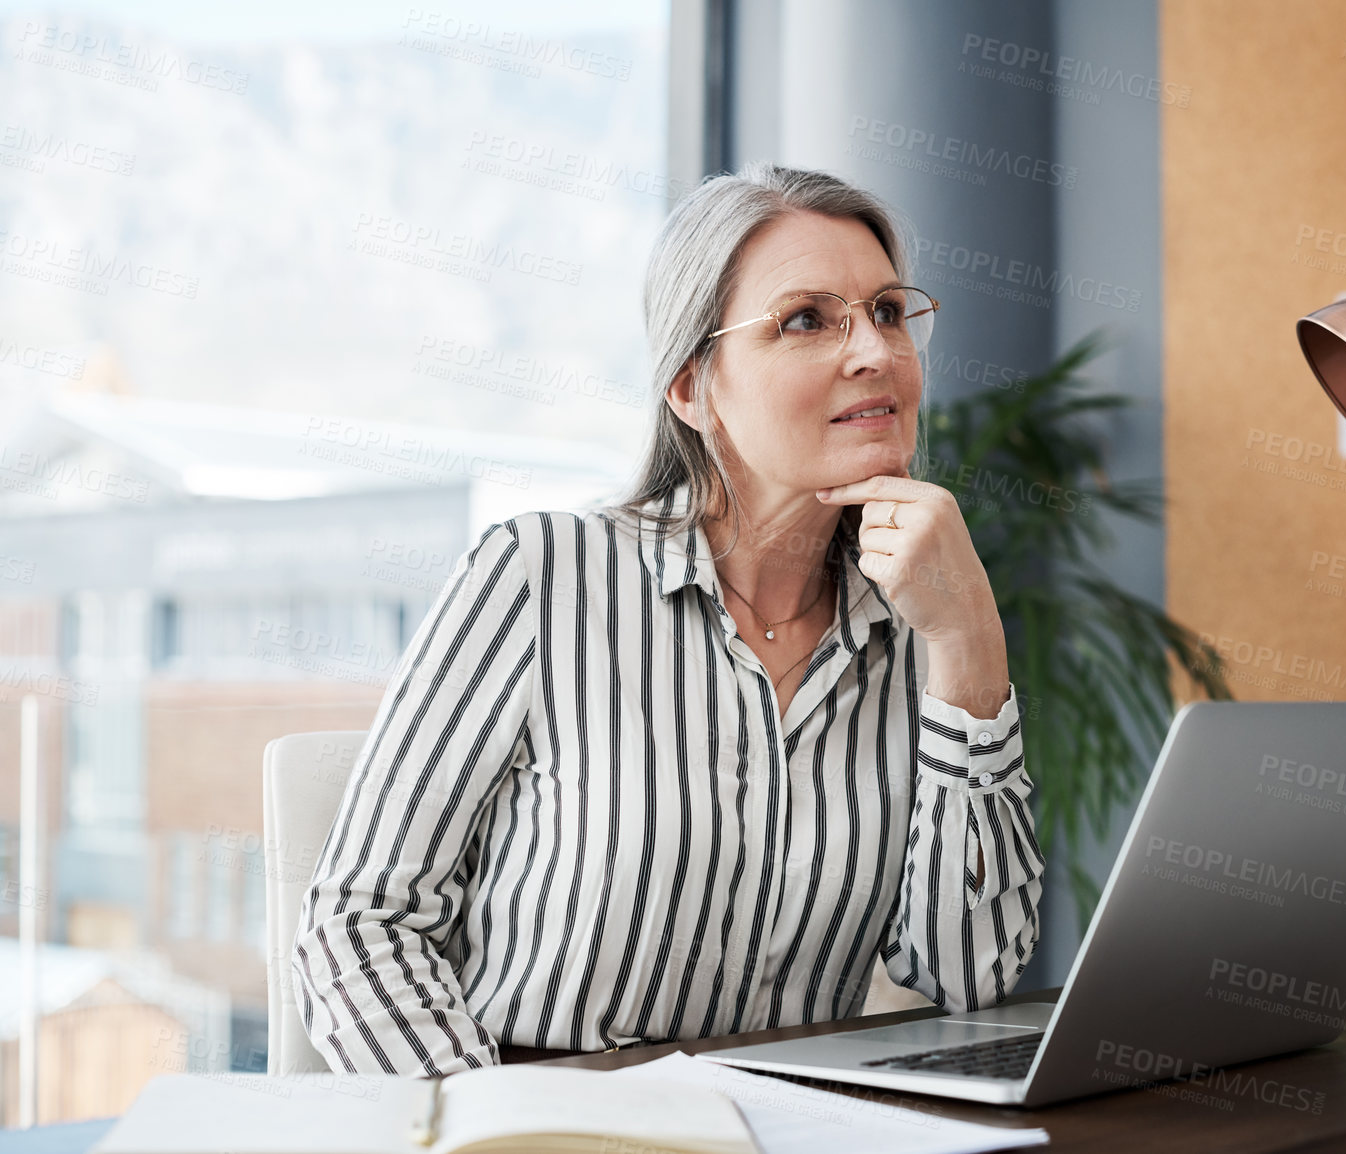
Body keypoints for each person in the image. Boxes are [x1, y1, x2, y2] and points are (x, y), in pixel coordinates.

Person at [292, 162, 1044, 1076]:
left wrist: (966, 642)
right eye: (807, 320)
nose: (876, 353)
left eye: (889, 311)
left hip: (791, 1131)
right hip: (553, 1122)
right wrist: (491, 1130)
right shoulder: (541, 574)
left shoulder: (915, 621)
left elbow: (968, 975)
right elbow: (358, 925)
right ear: (692, 387)